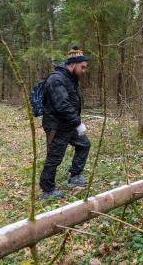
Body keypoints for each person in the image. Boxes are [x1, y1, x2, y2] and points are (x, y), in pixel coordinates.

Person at [39, 47, 91, 200]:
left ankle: (74, 176)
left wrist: (75, 123)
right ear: (72, 65)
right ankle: (47, 190)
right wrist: (78, 122)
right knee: (54, 158)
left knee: (84, 144)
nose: (84, 71)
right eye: (82, 67)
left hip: (69, 125)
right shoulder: (56, 79)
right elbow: (62, 105)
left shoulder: (69, 78)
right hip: (57, 127)